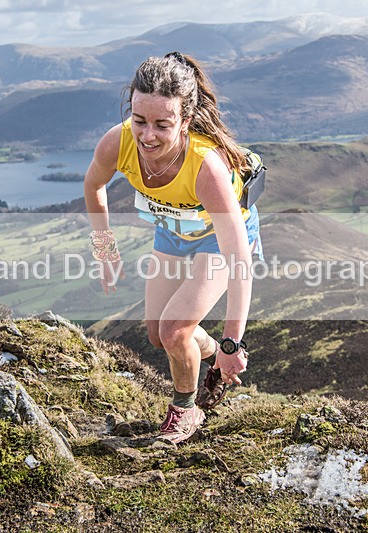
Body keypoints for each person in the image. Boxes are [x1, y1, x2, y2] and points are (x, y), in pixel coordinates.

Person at [83, 51, 262, 443]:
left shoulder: (205, 167)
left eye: (162, 124)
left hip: (219, 239)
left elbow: (238, 260)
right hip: (172, 231)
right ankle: (210, 354)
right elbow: (93, 185)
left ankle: (186, 409)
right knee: (155, 333)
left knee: (176, 331)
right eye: (139, 120)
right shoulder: (118, 142)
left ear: (185, 121)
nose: (147, 135)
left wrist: (235, 342)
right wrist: (105, 249)